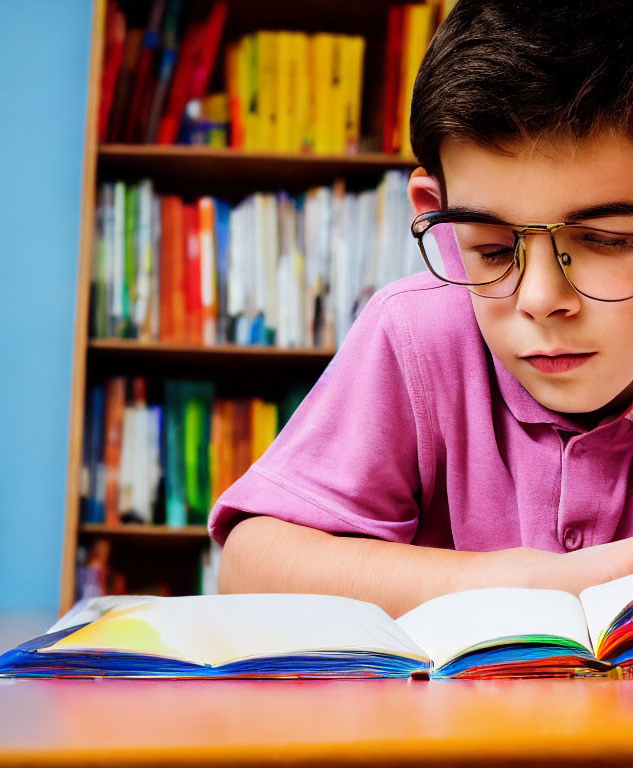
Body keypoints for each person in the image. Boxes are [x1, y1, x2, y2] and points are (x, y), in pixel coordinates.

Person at [207, 0, 633, 618]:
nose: (540, 301)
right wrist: (530, 584)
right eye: (490, 250)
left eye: (607, 241)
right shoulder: (420, 331)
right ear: (436, 213)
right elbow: (252, 563)